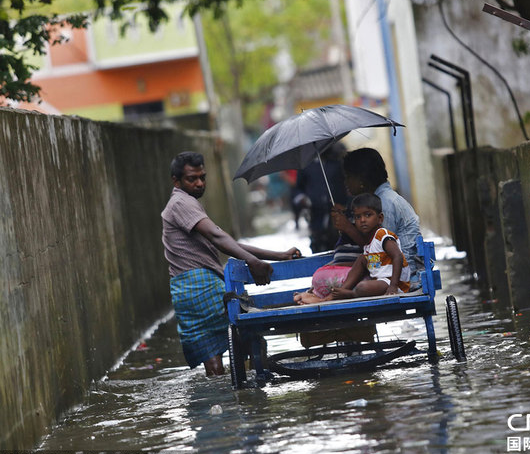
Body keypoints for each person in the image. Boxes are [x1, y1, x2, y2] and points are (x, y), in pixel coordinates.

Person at [161, 151, 300, 376]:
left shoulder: (186, 203)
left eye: (202, 177)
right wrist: (253, 262)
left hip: (185, 289)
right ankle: (249, 394)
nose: (199, 183)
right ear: (176, 181)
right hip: (199, 283)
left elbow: (225, 240)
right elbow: (219, 239)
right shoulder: (181, 203)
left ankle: (225, 398)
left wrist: (279, 256)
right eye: (191, 179)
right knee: (249, 334)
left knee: (212, 356)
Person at [332, 147, 424, 287]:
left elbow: (377, 248)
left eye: (348, 177)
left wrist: (348, 228)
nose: (346, 182)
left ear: (361, 178)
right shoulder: (378, 200)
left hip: (401, 276)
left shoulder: (385, 203)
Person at [323, 193, 411, 300]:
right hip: (380, 281)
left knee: (362, 287)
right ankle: (344, 289)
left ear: (380, 218)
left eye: (368, 215)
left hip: (394, 283)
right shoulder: (369, 242)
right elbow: (373, 262)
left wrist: (393, 286)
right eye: (358, 217)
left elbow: (398, 256)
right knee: (362, 258)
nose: (362, 220)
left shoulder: (382, 235)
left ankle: (350, 294)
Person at [292, 143, 349, 252]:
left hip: (338, 212)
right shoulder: (307, 166)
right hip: (316, 215)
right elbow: (298, 189)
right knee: (319, 244)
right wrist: (302, 198)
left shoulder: (337, 163)